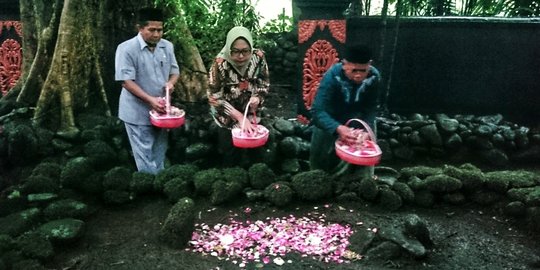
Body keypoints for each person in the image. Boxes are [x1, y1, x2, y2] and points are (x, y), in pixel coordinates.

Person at [114, 7, 180, 174]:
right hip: (136, 110)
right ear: (140, 28)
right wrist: (151, 100)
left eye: (160, 30)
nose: (157, 34)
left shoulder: (167, 47)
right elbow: (126, 81)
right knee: (144, 151)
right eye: (152, 30)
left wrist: (171, 83)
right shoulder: (126, 49)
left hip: (162, 111)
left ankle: (160, 180)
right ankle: (149, 185)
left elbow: (175, 71)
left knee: (160, 148)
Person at [309, 43, 381, 177]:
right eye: (354, 70)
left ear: (369, 65)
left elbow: (371, 107)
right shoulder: (332, 76)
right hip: (331, 117)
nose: (359, 75)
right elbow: (317, 111)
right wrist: (338, 128)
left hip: (357, 118)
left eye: (363, 70)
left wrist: (367, 129)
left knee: (366, 141)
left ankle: (363, 182)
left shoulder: (374, 76)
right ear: (344, 64)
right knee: (320, 167)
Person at [207, 26, 270, 167]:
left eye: (245, 51)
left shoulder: (258, 57)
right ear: (229, 49)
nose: (241, 56)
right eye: (235, 51)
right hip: (227, 114)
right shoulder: (220, 64)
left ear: (251, 49)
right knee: (230, 151)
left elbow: (264, 82)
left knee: (256, 150)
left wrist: (258, 97)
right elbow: (214, 97)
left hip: (251, 112)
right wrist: (239, 117)